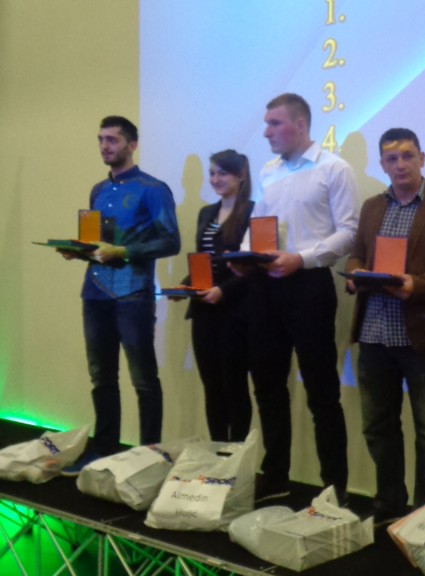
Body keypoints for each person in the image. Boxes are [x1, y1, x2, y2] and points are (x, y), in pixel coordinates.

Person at [345, 128, 425, 521]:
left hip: (421, 336)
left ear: (422, 158)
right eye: (391, 158)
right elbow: (356, 255)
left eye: (407, 156)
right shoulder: (371, 207)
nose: (400, 165)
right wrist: (355, 273)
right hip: (373, 334)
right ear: (382, 164)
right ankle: (388, 506)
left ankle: (424, 515)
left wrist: (419, 285)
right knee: (377, 427)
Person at [241, 93, 359, 502]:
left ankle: (334, 488)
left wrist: (302, 259)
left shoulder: (333, 168)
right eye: (266, 123)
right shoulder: (269, 171)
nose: (266, 132)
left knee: (322, 391)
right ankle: (275, 476)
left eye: (274, 123)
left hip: (308, 285)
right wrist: (244, 256)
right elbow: (257, 226)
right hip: (265, 287)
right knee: (267, 386)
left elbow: (348, 233)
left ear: (301, 124)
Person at [62, 115, 181, 473]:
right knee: (101, 377)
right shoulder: (98, 190)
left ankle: (148, 459)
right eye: (101, 139)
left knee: (143, 379)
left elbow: (171, 241)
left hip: (133, 293)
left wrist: (125, 252)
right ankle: (103, 451)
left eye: (112, 140)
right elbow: (99, 243)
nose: (105, 146)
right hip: (95, 291)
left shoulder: (152, 188)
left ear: (132, 145)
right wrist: (79, 251)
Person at [178, 150, 255, 442]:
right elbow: (204, 260)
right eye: (212, 173)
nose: (215, 179)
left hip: (235, 311)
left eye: (222, 173)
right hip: (203, 308)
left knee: (234, 386)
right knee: (211, 386)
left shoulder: (252, 211)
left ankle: (235, 455)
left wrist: (224, 290)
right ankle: (216, 451)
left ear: (241, 176)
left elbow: (253, 266)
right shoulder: (206, 212)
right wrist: (185, 285)